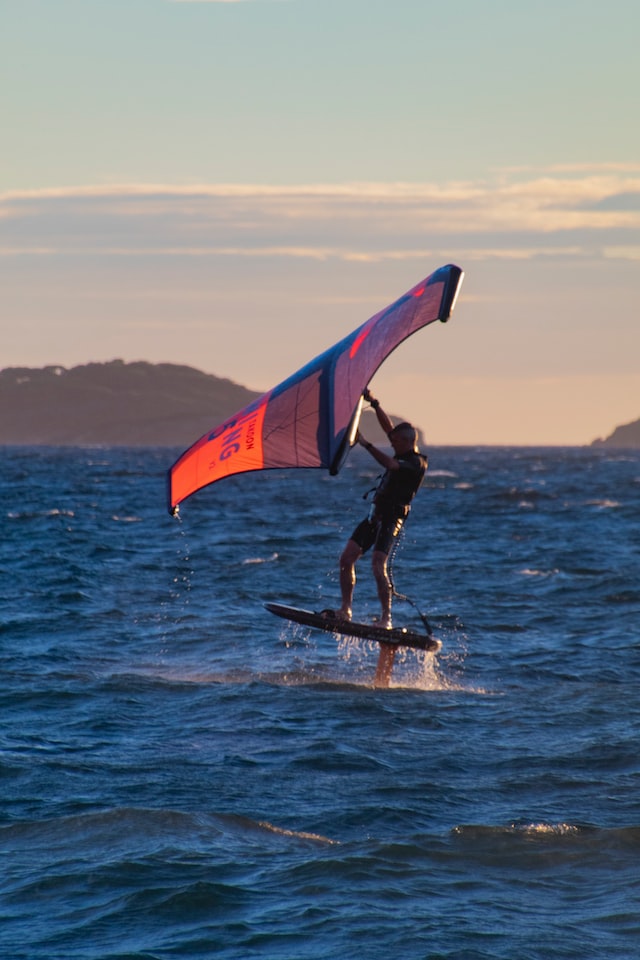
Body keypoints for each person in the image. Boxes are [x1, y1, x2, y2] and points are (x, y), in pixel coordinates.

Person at [331, 389, 428, 635]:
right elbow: (390, 430)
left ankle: (386, 618)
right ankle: (346, 609)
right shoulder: (401, 446)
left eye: (396, 441)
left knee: (377, 564)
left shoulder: (416, 463)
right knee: (346, 559)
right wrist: (374, 404)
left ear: (407, 442)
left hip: (392, 519)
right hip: (375, 515)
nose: (392, 442)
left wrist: (364, 443)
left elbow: (391, 465)